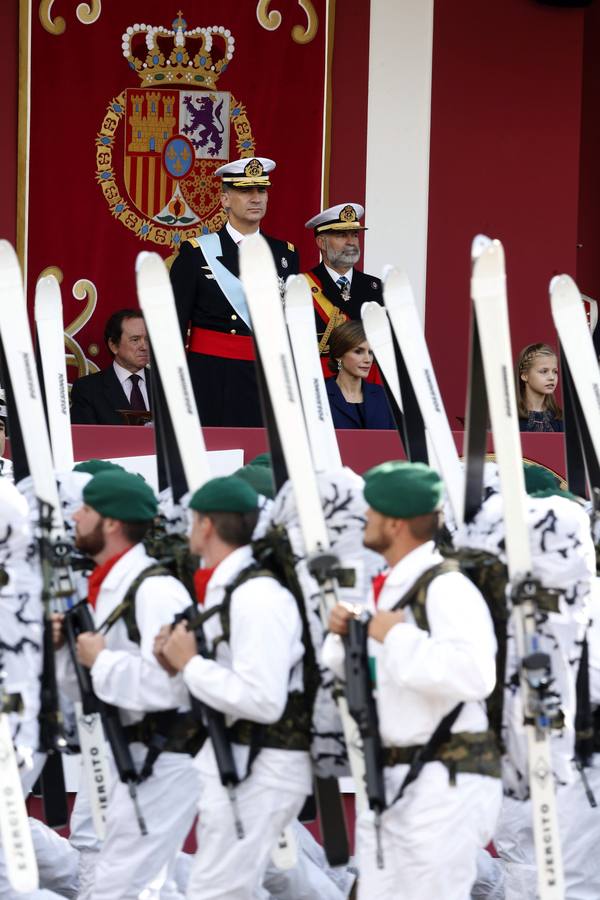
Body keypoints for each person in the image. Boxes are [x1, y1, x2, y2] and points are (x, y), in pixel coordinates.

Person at [322, 461, 502, 900]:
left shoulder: (447, 587)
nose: (364, 519)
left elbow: (476, 674)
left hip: (443, 779)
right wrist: (345, 638)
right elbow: (365, 673)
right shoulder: (390, 586)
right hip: (394, 777)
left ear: (395, 523)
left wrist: (394, 634)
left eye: (371, 512)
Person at [158, 475, 312, 899]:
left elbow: (262, 699)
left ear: (205, 525)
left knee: (218, 891)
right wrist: (178, 660)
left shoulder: (256, 595)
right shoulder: (232, 590)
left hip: (261, 760)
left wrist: (189, 664)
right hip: (241, 759)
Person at [53, 469, 200, 900]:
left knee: (119, 886)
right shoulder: (108, 588)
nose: (76, 517)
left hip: (165, 754)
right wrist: (66, 652)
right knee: (144, 884)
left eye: (87, 509)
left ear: (111, 523)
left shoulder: (155, 591)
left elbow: (173, 687)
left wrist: (101, 660)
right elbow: (89, 691)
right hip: (131, 753)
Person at [169, 157, 299, 427]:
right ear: (225, 200)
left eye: (261, 190)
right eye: (244, 190)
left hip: (267, 378)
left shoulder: (285, 254)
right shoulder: (196, 254)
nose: (255, 198)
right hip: (211, 377)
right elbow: (173, 329)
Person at [302, 203, 382, 374]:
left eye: (354, 235)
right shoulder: (301, 287)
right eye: (341, 235)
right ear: (321, 242)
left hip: (366, 387)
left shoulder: (375, 288)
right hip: (321, 384)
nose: (351, 242)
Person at [70, 310, 152, 425]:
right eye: (135, 340)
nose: (144, 347)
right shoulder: (88, 390)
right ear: (113, 345)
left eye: (147, 339)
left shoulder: (167, 385)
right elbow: (85, 439)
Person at [325, 321, 395, 429]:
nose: (368, 359)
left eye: (370, 352)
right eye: (358, 351)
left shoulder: (383, 396)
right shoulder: (319, 394)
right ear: (339, 355)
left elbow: (395, 441)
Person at [515, 342, 564, 432]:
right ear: (525, 375)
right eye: (544, 371)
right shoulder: (511, 420)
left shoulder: (562, 420)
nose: (552, 377)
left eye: (555, 372)